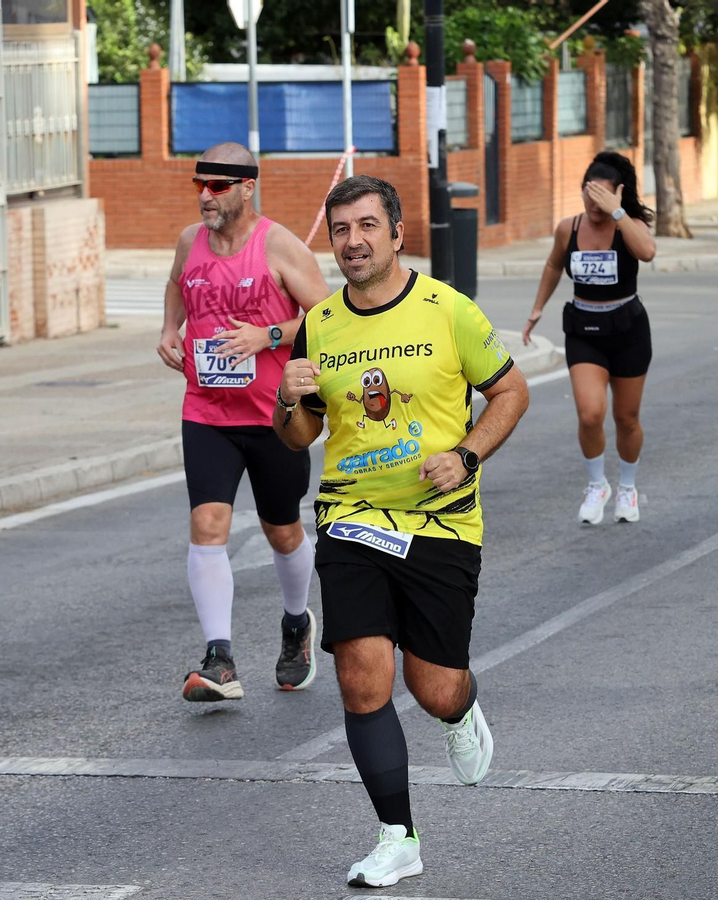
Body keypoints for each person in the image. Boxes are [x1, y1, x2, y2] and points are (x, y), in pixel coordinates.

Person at [273, 175, 530, 888]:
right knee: (362, 678)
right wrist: (285, 403)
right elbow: (300, 436)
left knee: (434, 685)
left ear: (396, 234)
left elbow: (512, 391)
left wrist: (467, 453)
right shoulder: (319, 323)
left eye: (365, 226)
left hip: (441, 525)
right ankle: (397, 835)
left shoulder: (447, 311)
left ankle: (460, 712)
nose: (351, 241)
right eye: (340, 229)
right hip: (352, 518)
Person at [158, 142, 333, 702]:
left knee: (282, 529)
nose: (205, 196)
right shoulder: (191, 241)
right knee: (208, 525)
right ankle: (220, 658)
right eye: (199, 185)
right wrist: (169, 329)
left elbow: (328, 320)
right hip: (206, 410)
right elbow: (176, 284)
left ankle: (295, 623)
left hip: (273, 417)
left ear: (246, 187)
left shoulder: (279, 246)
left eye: (217, 186)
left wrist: (269, 336)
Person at [523, 152, 657, 525]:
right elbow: (553, 264)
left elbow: (647, 251)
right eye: (590, 195)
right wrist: (537, 309)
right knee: (590, 413)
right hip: (584, 330)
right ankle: (597, 484)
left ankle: (627, 487)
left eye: (604, 196)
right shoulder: (569, 228)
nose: (594, 204)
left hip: (629, 330)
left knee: (626, 418)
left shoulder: (625, 226)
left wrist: (617, 212)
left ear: (617, 194)